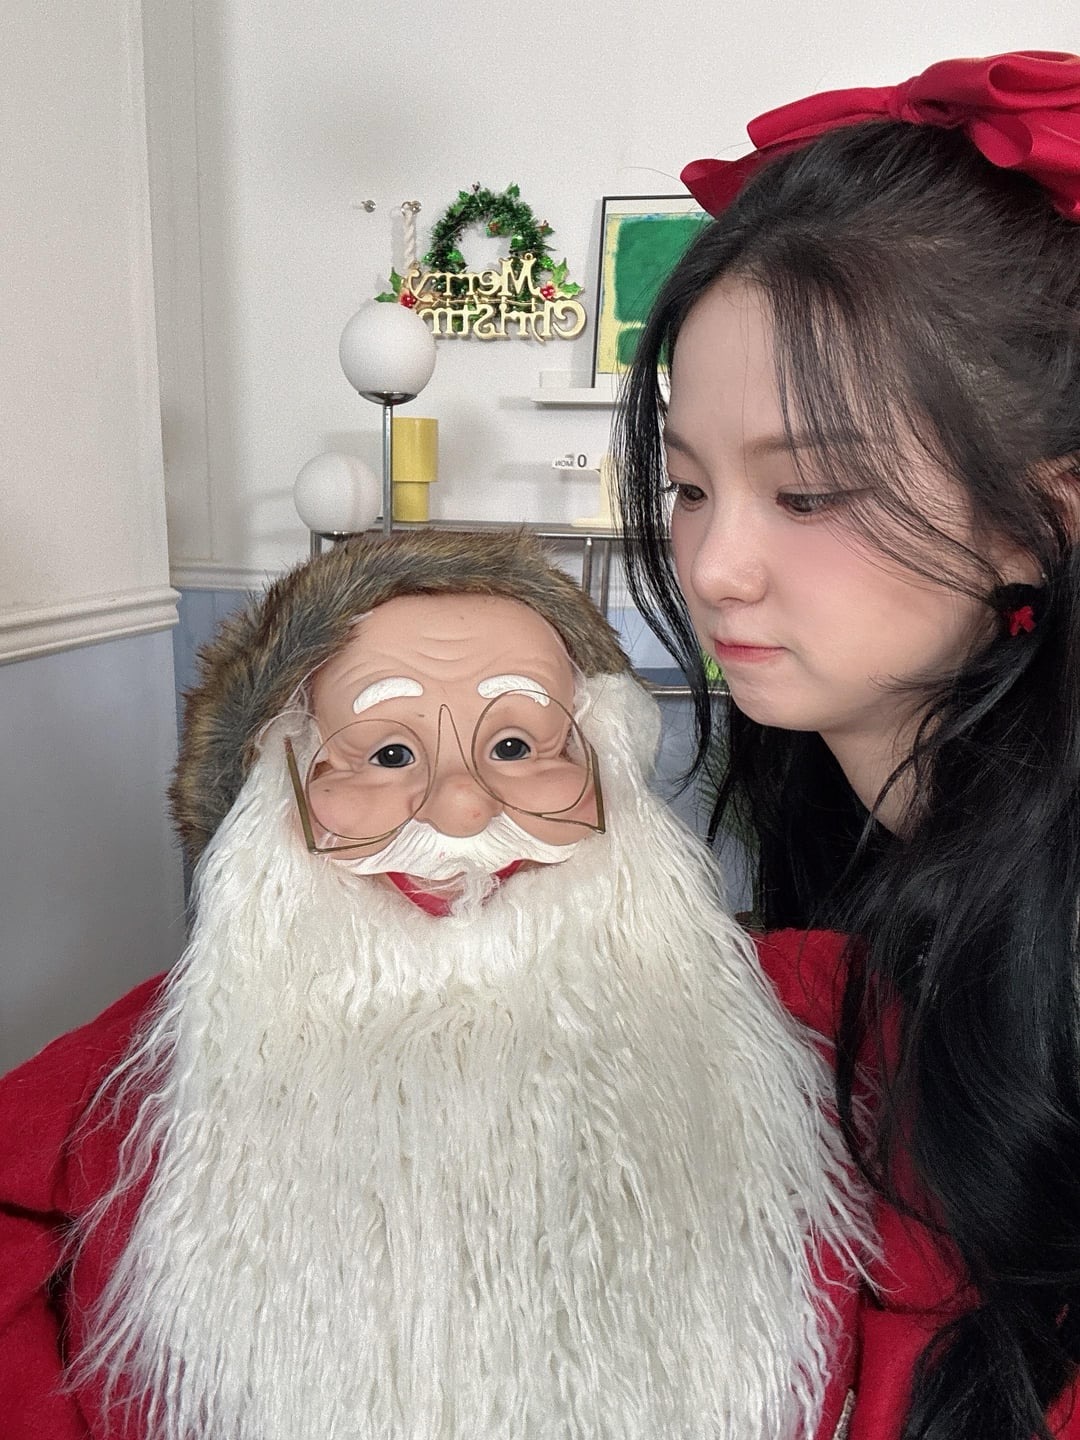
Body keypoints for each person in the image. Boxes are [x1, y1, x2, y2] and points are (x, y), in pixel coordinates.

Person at [0, 528, 866, 1440]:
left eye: (517, 743)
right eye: (386, 755)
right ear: (270, 798)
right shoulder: (124, 1085)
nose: (461, 807)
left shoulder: (814, 1020)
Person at [614, 48, 1080, 1440]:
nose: (714, 567)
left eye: (808, 493)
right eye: (688, 487)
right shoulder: (845, 803)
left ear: (1043, 518)